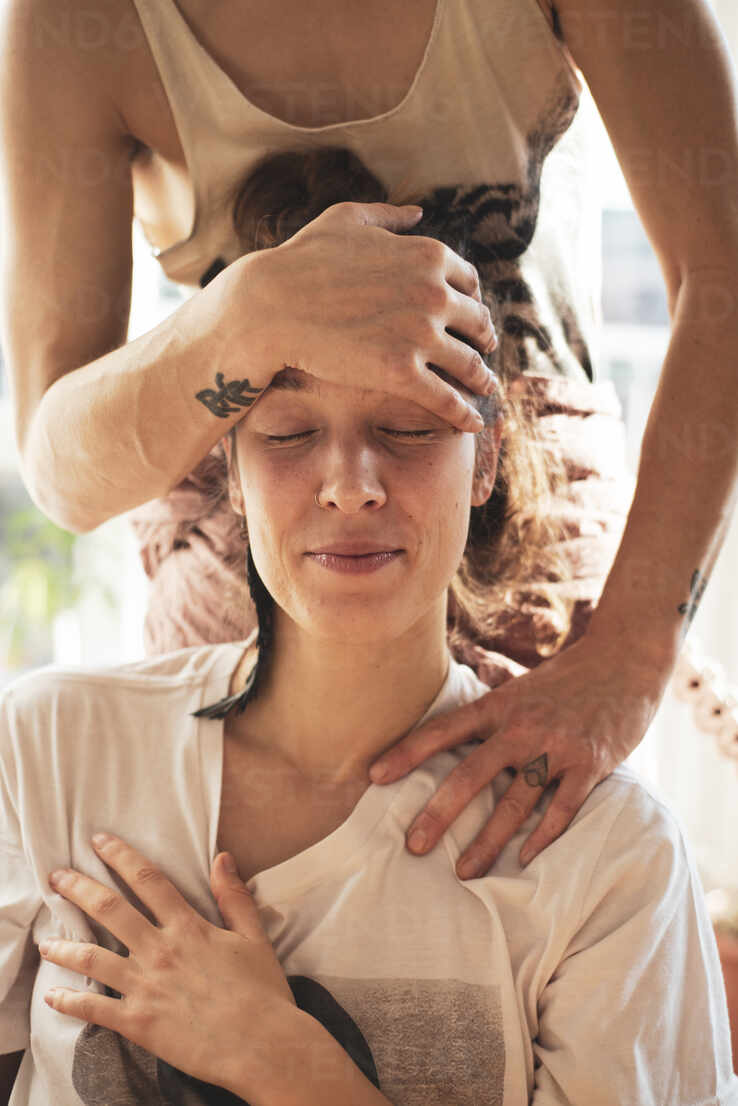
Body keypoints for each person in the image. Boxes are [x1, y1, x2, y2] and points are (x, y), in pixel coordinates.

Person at [1, 0, 737, 927]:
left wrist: (631, 656)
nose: (355, 482)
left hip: (538, 601)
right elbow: (65, 472)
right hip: (244, 602)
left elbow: (726, 271)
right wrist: (246, 321)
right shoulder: (78, 20)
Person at [0, 198, 737, 1105]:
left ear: (488, 458)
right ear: (230, 469)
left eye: (410, 427)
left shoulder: (607, 861)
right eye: (290, 433)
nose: (351, 487)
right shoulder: (46, 752)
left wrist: (284, 1064)